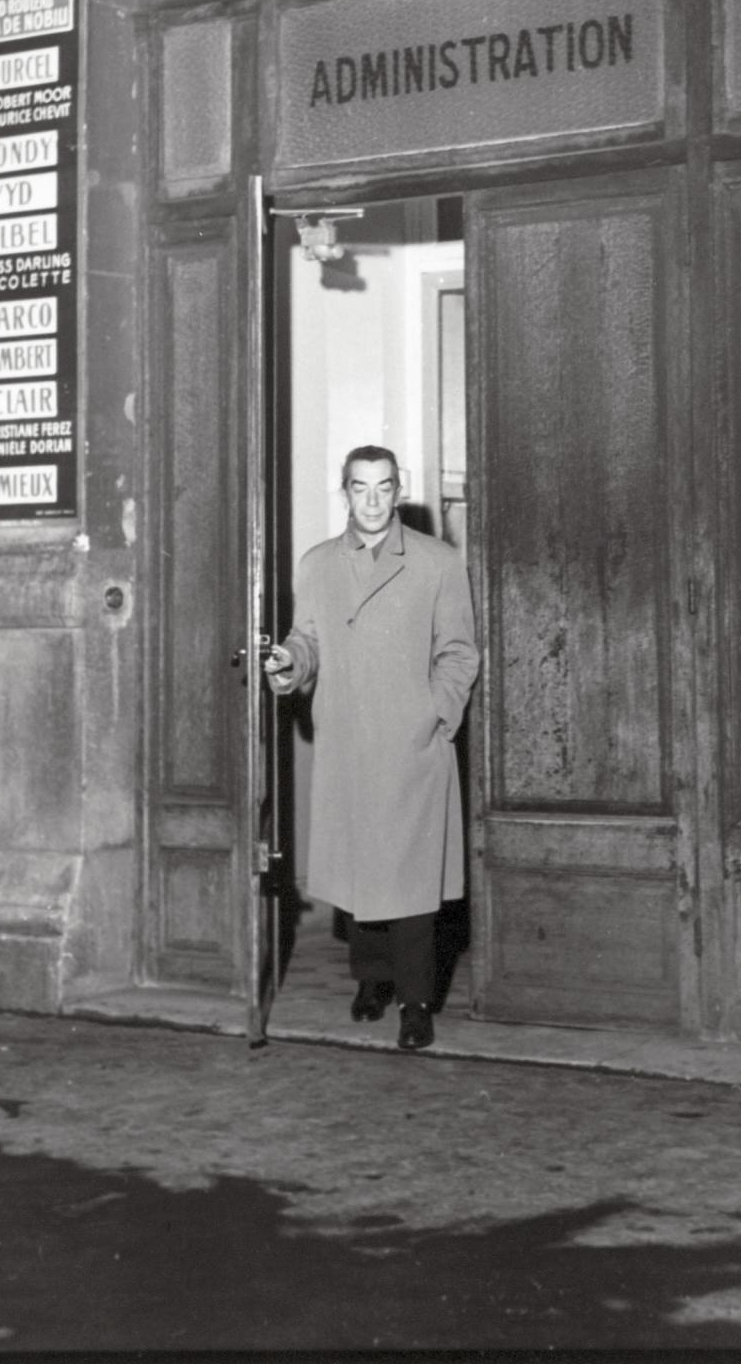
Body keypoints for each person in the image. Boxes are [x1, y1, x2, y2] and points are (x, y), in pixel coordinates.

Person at [263, 445, 479, 1051]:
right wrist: (287, 663)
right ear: (346, 492)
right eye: (361, 488)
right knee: (362, 871)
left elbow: (460, 651)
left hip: (412, 743)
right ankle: (371, 981)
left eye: (385, 488)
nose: (374, 501)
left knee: (411, 879)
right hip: (348, 739)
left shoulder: (437, 562)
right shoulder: (318, 565)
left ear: (399, 489)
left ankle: (415, 1003)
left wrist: (435, 712)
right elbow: (307, 640)